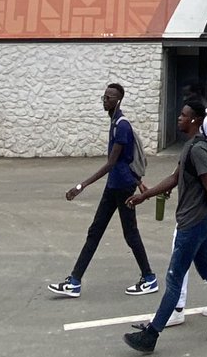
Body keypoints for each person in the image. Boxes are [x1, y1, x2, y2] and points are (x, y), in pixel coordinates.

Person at [123, 98, 207, 353]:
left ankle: (151, 335)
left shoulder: (198, 150)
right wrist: (145, 194)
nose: (179, 118)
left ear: (195, 120)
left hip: (194, 223)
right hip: (195, 220)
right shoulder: (190, 147)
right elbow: (175, 178)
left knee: (175, 277)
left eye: (184, 115)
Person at [47, 83, 158, 299]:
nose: (105, 100)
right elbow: (124, 161)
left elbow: (112, 163)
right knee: (95, 231)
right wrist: (139, 181)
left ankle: (149, 278)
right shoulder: (115, 121)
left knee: (130, 233)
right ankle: (75, 281)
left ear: (119, 100)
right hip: (115, 186)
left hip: (121, 187)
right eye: (104, 96)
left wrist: (81, 186)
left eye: (110, 97)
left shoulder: (121, 126)